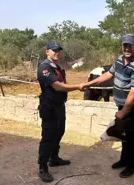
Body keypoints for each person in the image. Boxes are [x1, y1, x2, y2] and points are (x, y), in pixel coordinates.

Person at [82, 33, 134, 178]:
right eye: (125, 45)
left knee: (131, 135)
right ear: (122, 46)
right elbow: (108, 74)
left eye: (130, 46)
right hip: (124, 105)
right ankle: (124, 160)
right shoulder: (120, 60)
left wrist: (124, 111)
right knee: (123, 132)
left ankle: (132, 165)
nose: (127, 49)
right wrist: (89, 84)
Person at [37, 42, 84, 183]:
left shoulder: (55, 66)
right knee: (48, 136)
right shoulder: (45, 68)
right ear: (47, 52)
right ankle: (42, 167)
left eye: (58, 50)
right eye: (54, 50)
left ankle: (54, 158)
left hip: (58, 106)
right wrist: (78, 86)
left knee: (59, 131)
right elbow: (57, 86)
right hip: (49, 107)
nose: (57, 53)